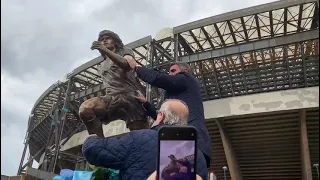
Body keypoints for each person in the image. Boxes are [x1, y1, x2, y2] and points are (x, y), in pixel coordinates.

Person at [82, 99, 208, 180]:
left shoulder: (140, 138)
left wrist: (92, 137)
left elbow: (93, 150)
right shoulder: (200, 157)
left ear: (161, 115)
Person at [130, 62, 212, 167]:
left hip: (189, 141)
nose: (170, 74)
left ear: (185, 71)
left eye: (173, 71)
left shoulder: (186, 78)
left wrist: (137, 68)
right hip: (184, 143)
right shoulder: (180, 92)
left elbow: (159, 79)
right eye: (169, 72)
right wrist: (146, 103)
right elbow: (164, 118)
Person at [78, 30, 149, 137]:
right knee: (86, 109)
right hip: (111, 98)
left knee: (141, 137)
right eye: (102, 40)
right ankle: (99, 145)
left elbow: (127, 65)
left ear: (115, 41)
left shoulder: (125, 51)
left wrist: (104, 50)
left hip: (130, 98)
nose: (104, 41)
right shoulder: (101, 65)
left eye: (107, 38)